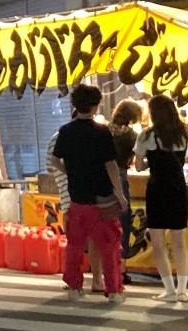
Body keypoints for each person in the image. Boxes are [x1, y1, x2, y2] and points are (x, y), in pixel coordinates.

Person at [50, 85, 126, 304]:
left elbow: (55, 160)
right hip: (103, 199)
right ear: (95, 106)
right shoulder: (102, 132)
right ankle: (113, 291)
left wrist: (71, 173)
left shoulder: (65, 131)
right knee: (109, 247)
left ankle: (74, 287)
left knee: (74, 245)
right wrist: (119, 194)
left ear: (74, 104)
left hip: (77, 199)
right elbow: (111, 164)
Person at [134, 94, 188, 302]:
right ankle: (183, 290)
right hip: (178, 189)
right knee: (179, 242)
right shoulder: (183, 133)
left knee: (158, 242)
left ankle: (169, 290)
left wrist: (151, 163)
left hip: (157, 190)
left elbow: (139, 166)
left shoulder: (146, 136)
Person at [46, 120, 104, 292]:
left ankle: (73, 281)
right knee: (94, 238)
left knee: (74, 241)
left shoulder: (56, 138)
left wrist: (67, 173)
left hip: (66, 196)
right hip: (88, 193)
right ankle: (97, 280)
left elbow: (50, 167)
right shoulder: (91, 135)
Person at [109, 98, 142, 284]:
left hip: (102, 178)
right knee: (123, 222)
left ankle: (107, 267)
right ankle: (120, 269)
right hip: (120, 176)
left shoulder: (104, 130)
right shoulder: (131, 135)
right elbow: (135, 159)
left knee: (106, 223)